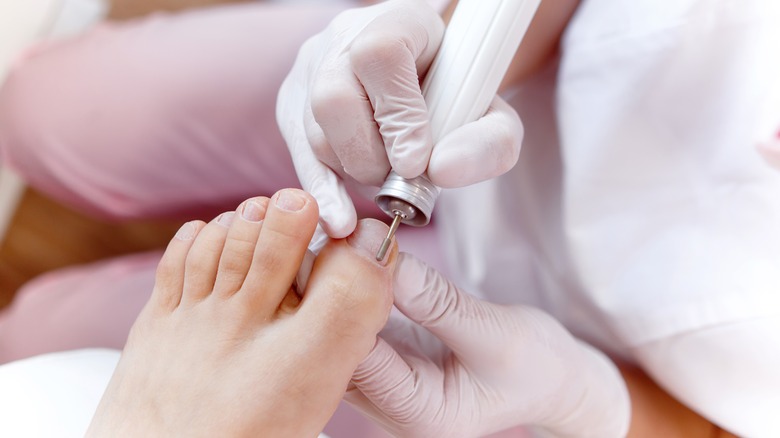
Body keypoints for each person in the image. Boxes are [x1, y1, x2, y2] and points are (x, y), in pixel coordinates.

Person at [0, 0, 778, 436]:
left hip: (507, 375)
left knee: (37, 342)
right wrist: (447, 36)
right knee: (39, 111)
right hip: (466, 96)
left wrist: (588, 404)